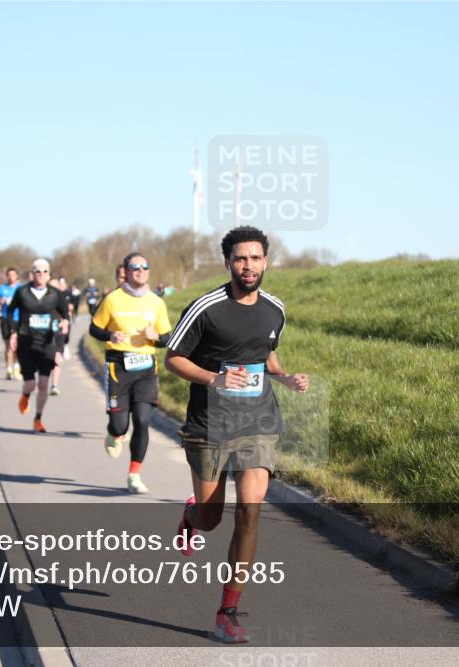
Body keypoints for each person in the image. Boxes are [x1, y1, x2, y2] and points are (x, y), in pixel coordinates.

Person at [164, 226, 309, 644]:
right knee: (211, 519)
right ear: (227, 262)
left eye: (256, 258)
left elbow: (267, 353)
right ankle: (192, 515)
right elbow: (173, 358)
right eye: (241, 259)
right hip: (210, 424)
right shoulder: (206, 308)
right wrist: (215, 379)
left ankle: (227, 610)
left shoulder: (274, 309)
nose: (249, 266)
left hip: (258, 421)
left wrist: (284, 378)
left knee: (250, 509)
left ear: (267, 261)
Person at [89, 252, 172, 494]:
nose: (140, 270)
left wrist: (156, 338)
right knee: (120, 424)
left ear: (149, 270)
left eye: (144, 266)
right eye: (135, 267)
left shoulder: (157, 302)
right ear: (125, 271)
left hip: (146, 368)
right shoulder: (113, 299)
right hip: (118, 368)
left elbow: (166, 337)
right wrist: (110, 335)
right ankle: (114, 434)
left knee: (143, 421)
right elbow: (94, 328)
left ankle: (134, 475)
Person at [6, 259, 69, 433]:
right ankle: (25, 395)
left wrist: (65, 323)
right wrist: (13, 332)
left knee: (43, 384)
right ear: (32, 274)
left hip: (47, 343)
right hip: (26, 342)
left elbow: (65, 314)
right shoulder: (22, 292)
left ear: (49, 275)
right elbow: (10, 312)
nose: (41, 274)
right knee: (30, 385)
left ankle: (38, 419)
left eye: (44, 271)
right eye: (37, 271)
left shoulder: (56, 294)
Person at [0, 267, 22, 380]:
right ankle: (9, 369)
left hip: (18, 319)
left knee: (17, 345)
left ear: (17, 276)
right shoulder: (2, 288)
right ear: (7, 276)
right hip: (5, 319)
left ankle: (16, 367)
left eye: (13, 275)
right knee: (8, 345)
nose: (11, 277)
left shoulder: (21, 288)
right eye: (9, 275)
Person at [49, 277, 72, 396]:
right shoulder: (42, 300)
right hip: (44, 333)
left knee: (56, 358)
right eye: (50, 286)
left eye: (55, 286)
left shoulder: (61, 298)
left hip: (57, 331)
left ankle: (54, 385)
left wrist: (65, 323)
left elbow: (66, 314)